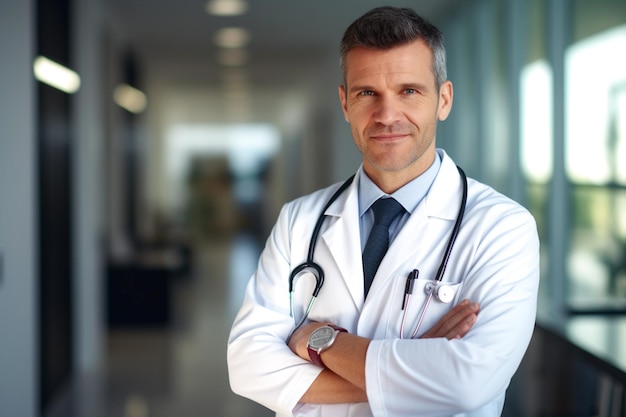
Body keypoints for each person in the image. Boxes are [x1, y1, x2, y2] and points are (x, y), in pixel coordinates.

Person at [227, 6, 539, 417]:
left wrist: (320, 340)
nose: (387, 115)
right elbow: (248, 366)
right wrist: (417, 363)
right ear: (344, 103)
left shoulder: (503, 228)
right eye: (367, 93)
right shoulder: (298, 220)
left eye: (409, 90)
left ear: (443, 99)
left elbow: (467, 384)